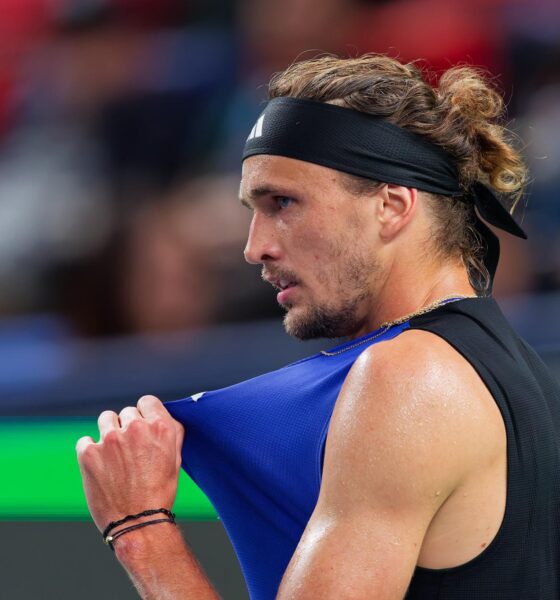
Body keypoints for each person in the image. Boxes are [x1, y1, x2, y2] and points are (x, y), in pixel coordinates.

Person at [76, 55, 560, 600]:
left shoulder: (411, 377)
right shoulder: (507, 372)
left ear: (391, 206)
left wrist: (140, 530)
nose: (253, 247)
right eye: (252, 209)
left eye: (283, 202)